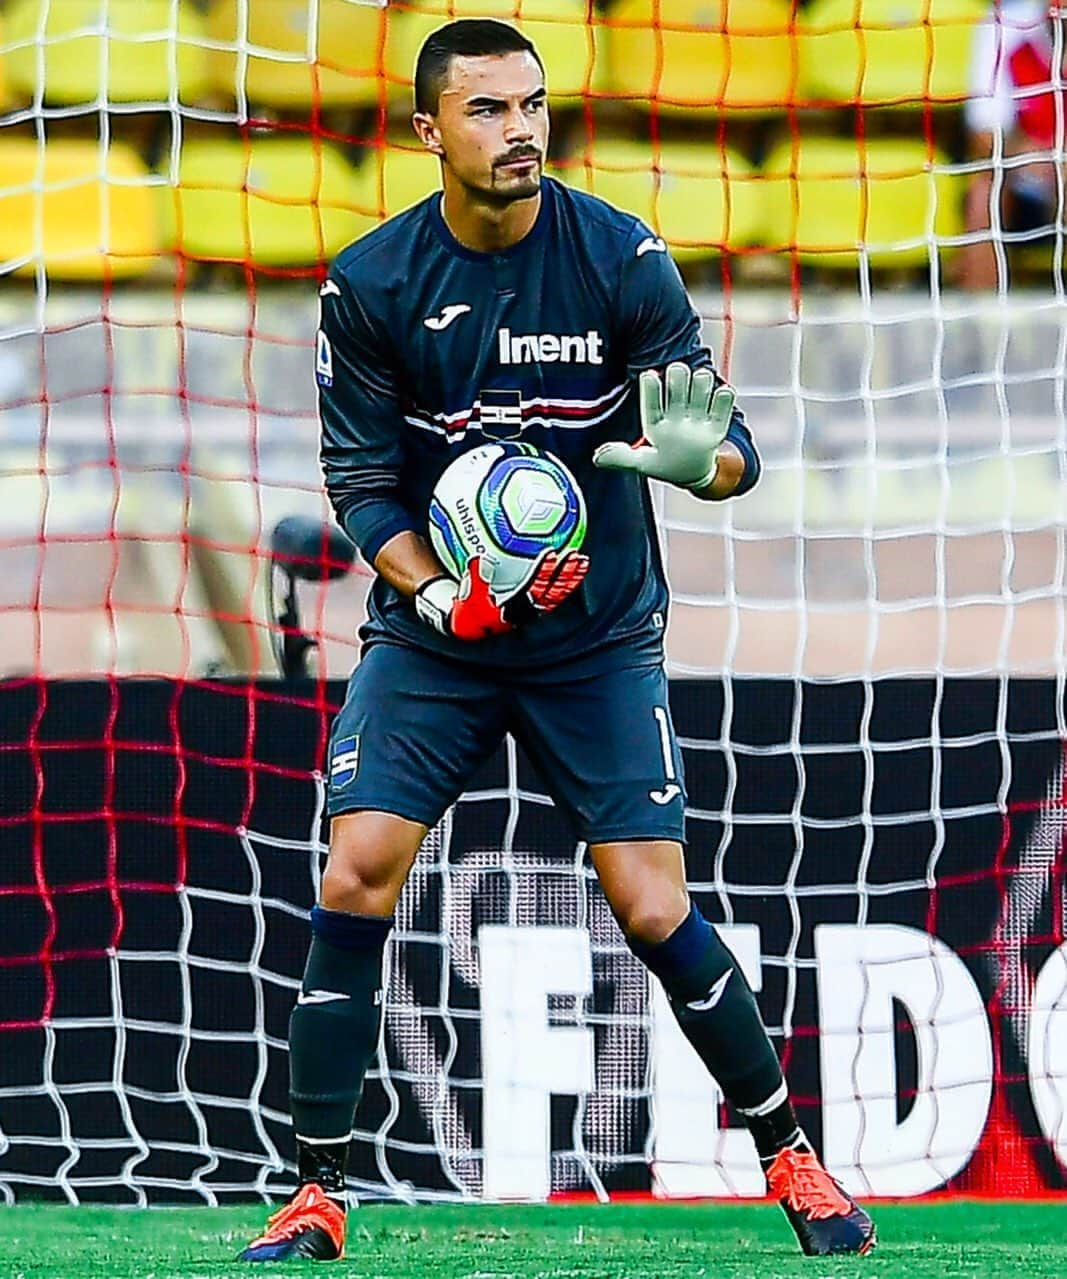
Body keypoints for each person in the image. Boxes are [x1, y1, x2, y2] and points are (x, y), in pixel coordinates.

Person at [239, 18, 876, 1263]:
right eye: (486, 110)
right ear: (428, 130)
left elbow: (722, 441)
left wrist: (710, 466)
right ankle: (317, 1192)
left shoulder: (619, 257)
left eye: (532, 104)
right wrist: (433, 595)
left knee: (649, 904)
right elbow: (362, 484)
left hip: (594, 636)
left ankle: (790, 1157)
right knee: (353, 869)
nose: (520, 128)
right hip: (438, 637)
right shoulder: (370, 284)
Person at [959, 0, 1066, 290]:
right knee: (984, 192)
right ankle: (981, 323)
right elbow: (984, 135)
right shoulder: (1003, 25)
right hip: (1029, 175)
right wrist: (1035, 156)